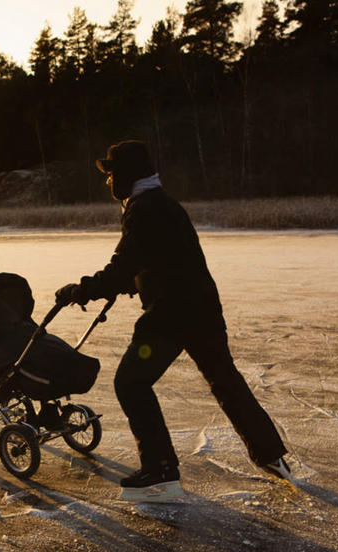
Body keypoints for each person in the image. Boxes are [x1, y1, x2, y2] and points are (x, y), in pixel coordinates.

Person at [56, 140, 292, 501]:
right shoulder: (163, 203)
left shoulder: (143, 209)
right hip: (202, 309)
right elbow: (160, 258)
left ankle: (160, 471)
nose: (107, 183)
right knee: (224, 379)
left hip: (170, 316)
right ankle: (271, 455)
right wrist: (140, 282)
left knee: (130, 383)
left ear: (126, 176)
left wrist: (80, 290)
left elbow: (123, 266)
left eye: (111, 175)